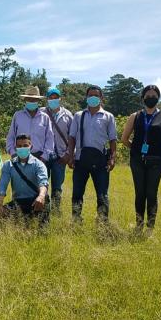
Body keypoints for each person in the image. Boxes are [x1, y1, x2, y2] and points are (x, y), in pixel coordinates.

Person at [120, 85, 161, 235]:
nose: (151, 97)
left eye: (154, 95)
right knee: (140, 193)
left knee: (151, 193)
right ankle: (139, 225)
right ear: (143, 97)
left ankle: (150, 228)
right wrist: (136, 149)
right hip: (137, 160)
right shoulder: (135, 116)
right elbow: (124, 139)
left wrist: (160, 151)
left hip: (156, 162)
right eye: (148, 95)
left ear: (158, 98)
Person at [65, 85, 118, 222]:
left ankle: (102, 223)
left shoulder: (108, 116)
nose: (93, 98)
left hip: (100, 160)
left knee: (102, 195)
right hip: (80, 159)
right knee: (77, 193)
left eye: (96, 95)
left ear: (101, 98)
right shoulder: (78, 115)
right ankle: (76, 220)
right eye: (90, 95)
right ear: (86, 97)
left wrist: (112, 159)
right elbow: (72, 137)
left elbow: (113, 139)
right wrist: (70, 156)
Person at [0, 134, 50, 224]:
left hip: (35, 201)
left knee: (45, 199)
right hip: (18, 202)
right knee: (0, 219)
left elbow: (43, 183)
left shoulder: (39, 164)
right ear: (15, 147)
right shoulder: (8, 165)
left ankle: (41, 230)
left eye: (25, 146)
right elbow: (2, 187)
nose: (22, 148)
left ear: (31, 147)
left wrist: (41, 196)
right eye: (19, 146)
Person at [40, 87, 73, 209]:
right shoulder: (41, 112)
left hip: (60, 157)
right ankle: (43, 209)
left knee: (57, 186)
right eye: (50, 98)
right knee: (42, 183)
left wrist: (68, 155)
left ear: (60, 99)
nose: (53, 100)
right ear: (47, 99)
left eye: (55, 98)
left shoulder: (68, 115)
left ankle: (56, 211)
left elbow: (73, 137)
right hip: (44, 156)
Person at [6, 85, 54, 162]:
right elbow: (11, 136)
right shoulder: (17, 116)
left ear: (38, 100)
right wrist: (13, 153)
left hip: (40, 157)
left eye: (34, 99)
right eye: (29, 99)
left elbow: (50, 139)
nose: (32, 101)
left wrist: (44, 157)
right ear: (25, 100)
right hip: (20, 156)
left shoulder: (45, 118)